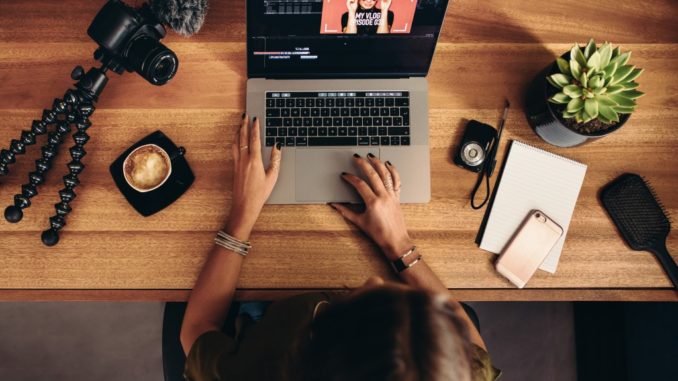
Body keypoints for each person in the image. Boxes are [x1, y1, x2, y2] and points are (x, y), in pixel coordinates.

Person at [180, 115, 500, 380]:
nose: (375, 280)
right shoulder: (458, 372)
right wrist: (399, 246)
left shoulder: (263, 368)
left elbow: (195, 329)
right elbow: (474, 347)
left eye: (370, 303)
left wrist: (241, 215)